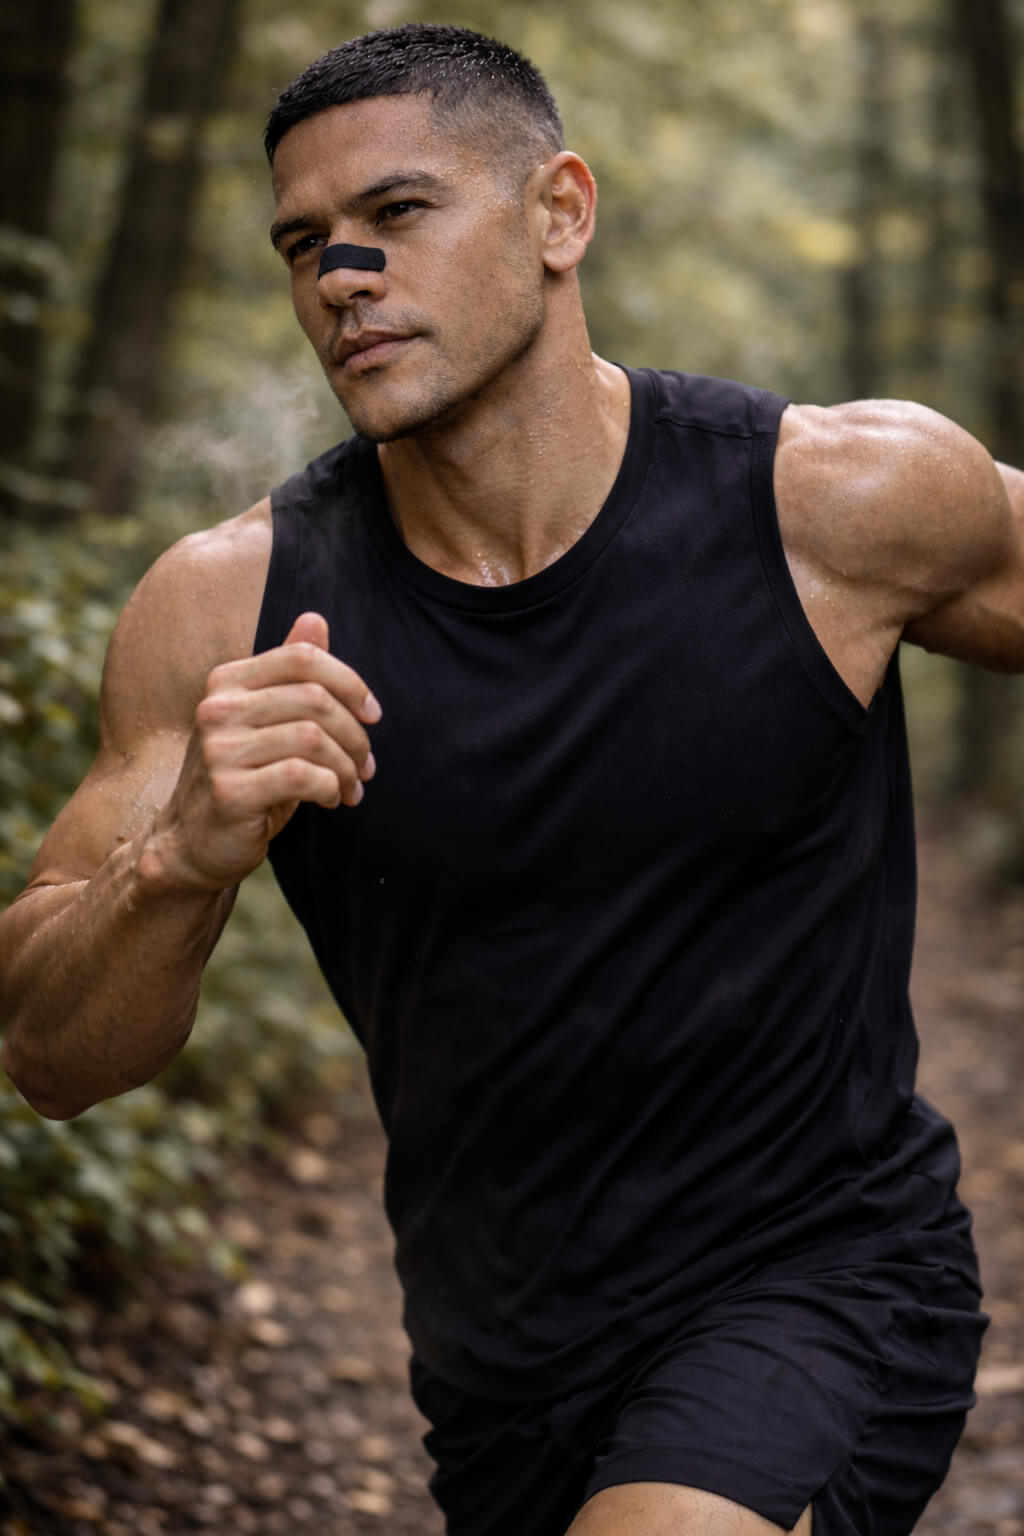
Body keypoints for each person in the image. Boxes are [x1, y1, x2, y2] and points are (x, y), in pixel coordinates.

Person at [0, 21, 1018, 1536]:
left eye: (397, 213)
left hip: (824, 1279)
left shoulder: (832, 505)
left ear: (560, 213)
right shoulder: (229, 608)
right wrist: (181, 862)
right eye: (304, 244)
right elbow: (49, 1056)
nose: (342, 279)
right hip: (500, 1369)